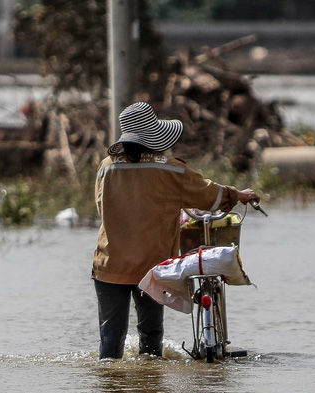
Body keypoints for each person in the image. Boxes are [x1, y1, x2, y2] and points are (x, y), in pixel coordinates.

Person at [92, 101, 260, 359]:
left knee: (110, 342)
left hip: (109, 264)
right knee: (150, 340)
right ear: (153, 136)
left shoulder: (106, 166)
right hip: (151, 267)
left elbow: (102, 207)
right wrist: (237, 195)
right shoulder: (170, 169)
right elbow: (210, 196)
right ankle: (150, 391)